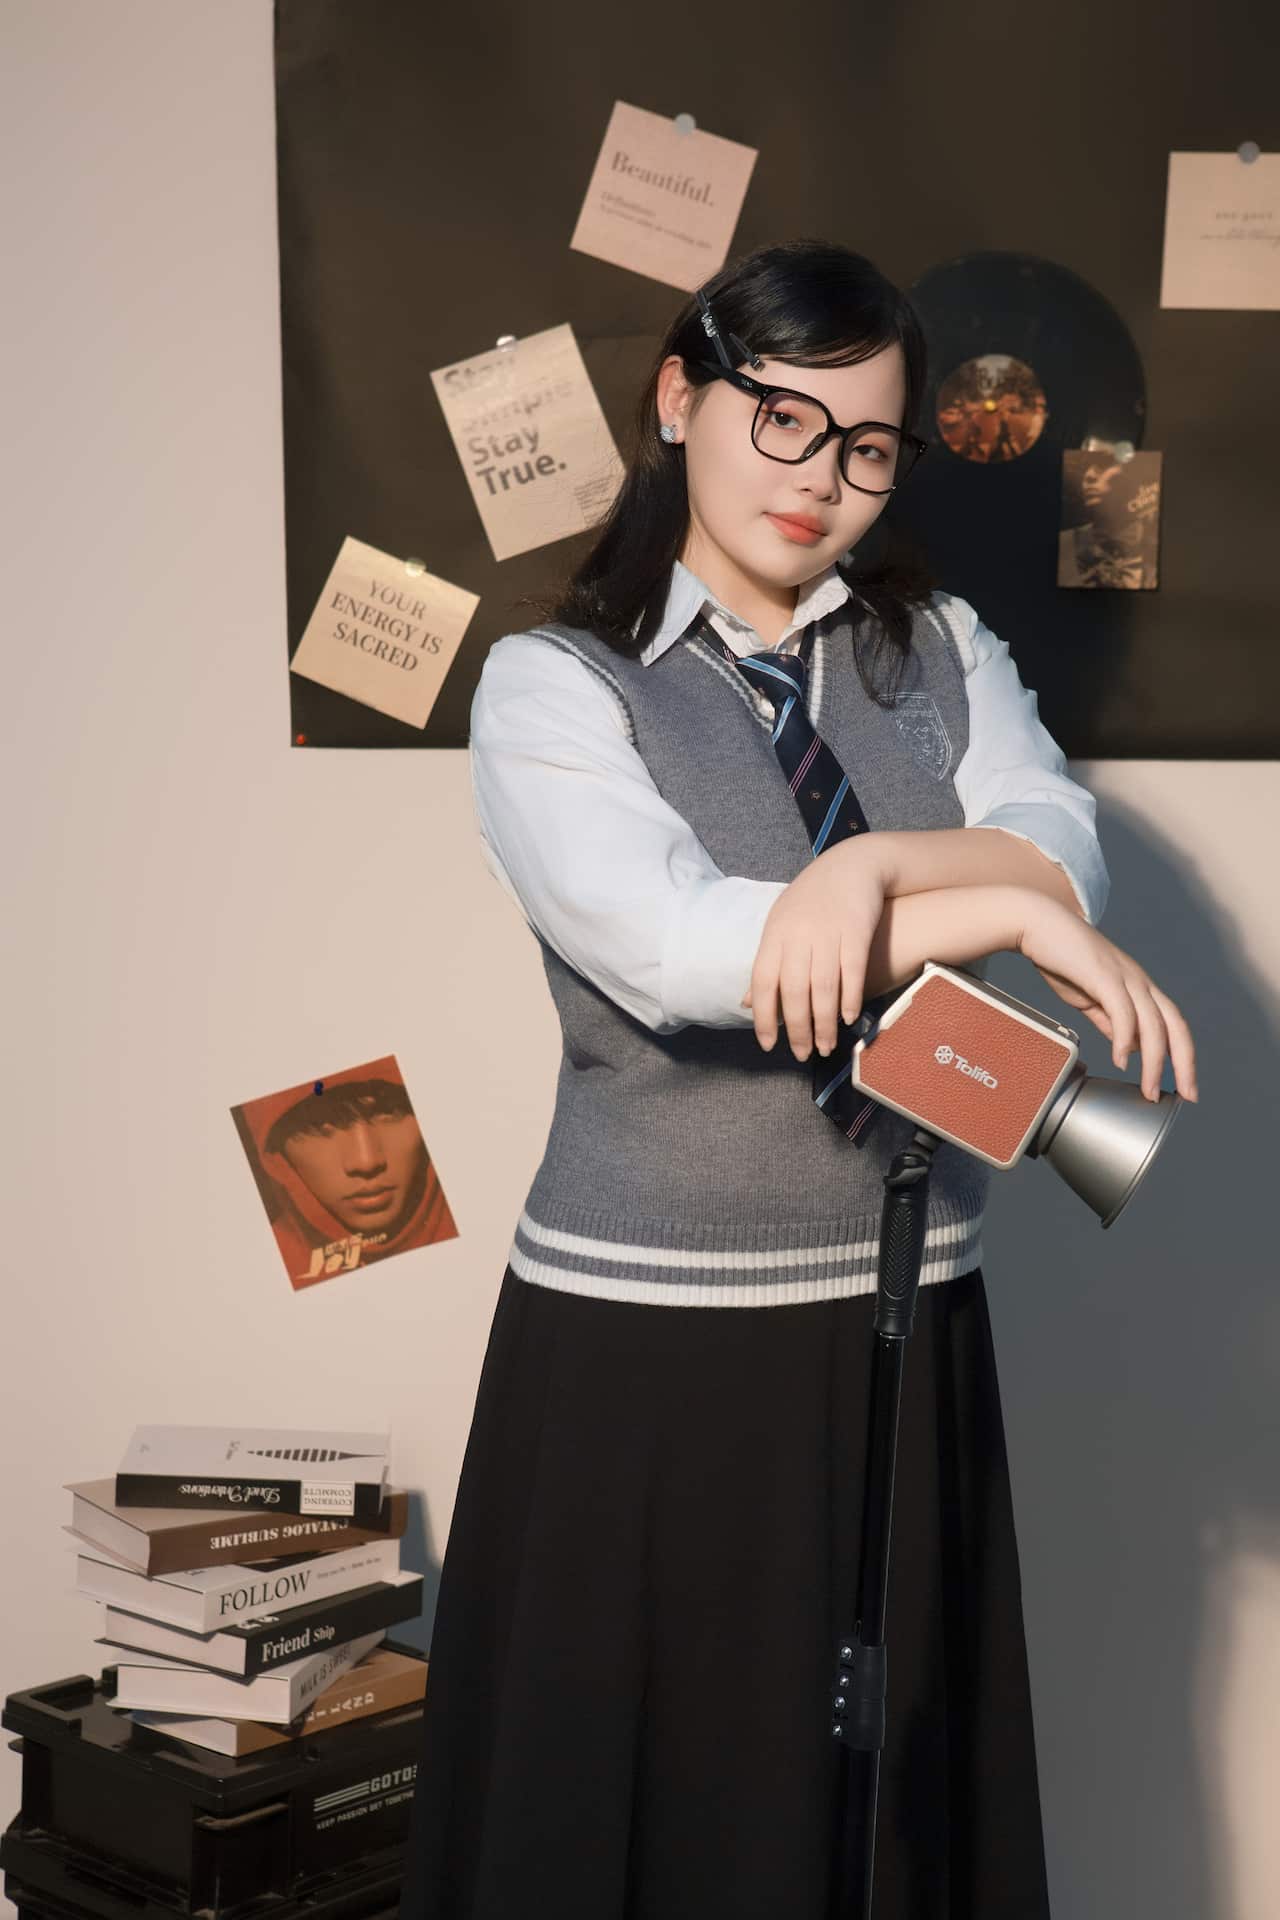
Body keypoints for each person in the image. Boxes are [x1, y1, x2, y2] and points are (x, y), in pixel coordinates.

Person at [398, 238, 1198, 1920]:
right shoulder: (555, 686)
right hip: (642, 1344)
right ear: (680, 399)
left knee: (883, 1820)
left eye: (868, 445)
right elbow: (684, 955)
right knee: (641, 1821)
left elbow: (1064, 857)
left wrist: (871, 879)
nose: (820, 481)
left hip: (906, 1317)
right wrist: (933, 894)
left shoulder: (939, 644)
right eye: (782, 419)